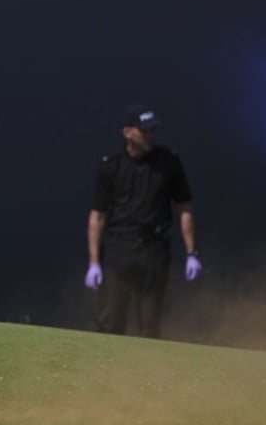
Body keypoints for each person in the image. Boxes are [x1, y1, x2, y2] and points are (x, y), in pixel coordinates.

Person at [83, 104, 203, 338]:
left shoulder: (168, 162)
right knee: (111, 320)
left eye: (152, 131)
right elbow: (97, 215)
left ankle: (147, 372)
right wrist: (94, 263)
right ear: (128, 132)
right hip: (119, 247)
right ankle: (104, 371)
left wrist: (192, 254)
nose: (149, 135)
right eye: (144, 130)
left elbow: (184, 207)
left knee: (149, 322)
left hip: (154, 248)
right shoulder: (112, 166)